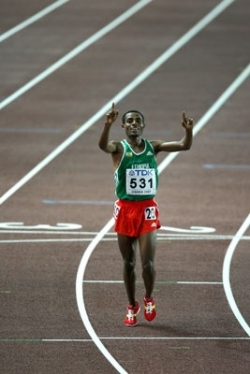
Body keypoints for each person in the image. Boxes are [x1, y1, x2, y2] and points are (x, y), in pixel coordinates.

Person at [98, 102, 193, 326]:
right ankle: (132, 305)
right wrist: (106, 125)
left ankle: (148, 298)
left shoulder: (154, 146)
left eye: (137, 121)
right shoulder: (118, 148)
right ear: (123, 126)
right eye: (129, 121)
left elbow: (183, 146)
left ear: (143, 126)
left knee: (147, 263)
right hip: (125, 209)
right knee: (128, 262)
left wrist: (188, 131)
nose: (133, 124)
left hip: (147, 209)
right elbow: (103, 146)